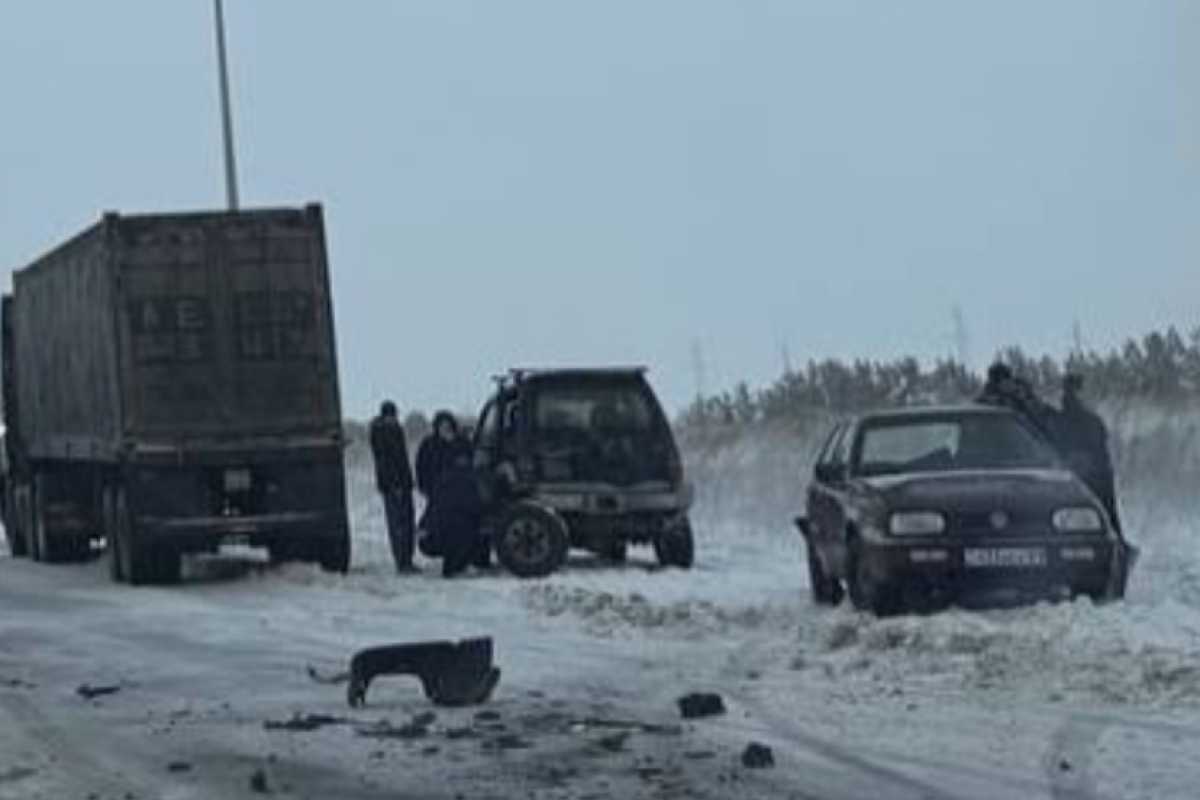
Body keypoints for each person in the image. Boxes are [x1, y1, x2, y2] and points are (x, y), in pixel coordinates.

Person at [1056, 374, 1120, 532]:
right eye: (1066, 391)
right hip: (1092, 471)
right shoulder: (1088, 418)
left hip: (1092, 471)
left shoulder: (1082, 419)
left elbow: (1098, 445)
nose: (1065, 396)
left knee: (1102, 512)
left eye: (1070, 391)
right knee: (1103, 512)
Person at [369, 400, 417, 573]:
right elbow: (388, 463)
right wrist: (395, 483)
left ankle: (406, 560)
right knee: (398, 524)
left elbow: (402, 460)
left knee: (406, 522)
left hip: (401, 484)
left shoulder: (392, 430)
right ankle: (402, 562)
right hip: (393, 485)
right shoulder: (383, 433)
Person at [426, 448, 487, 578]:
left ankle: (456, 565)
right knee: (468, 532)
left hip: (437, 529)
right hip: (455, 526)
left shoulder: (443, 476)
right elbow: (474, 504)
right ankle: (457, 567)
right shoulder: (468, 478)